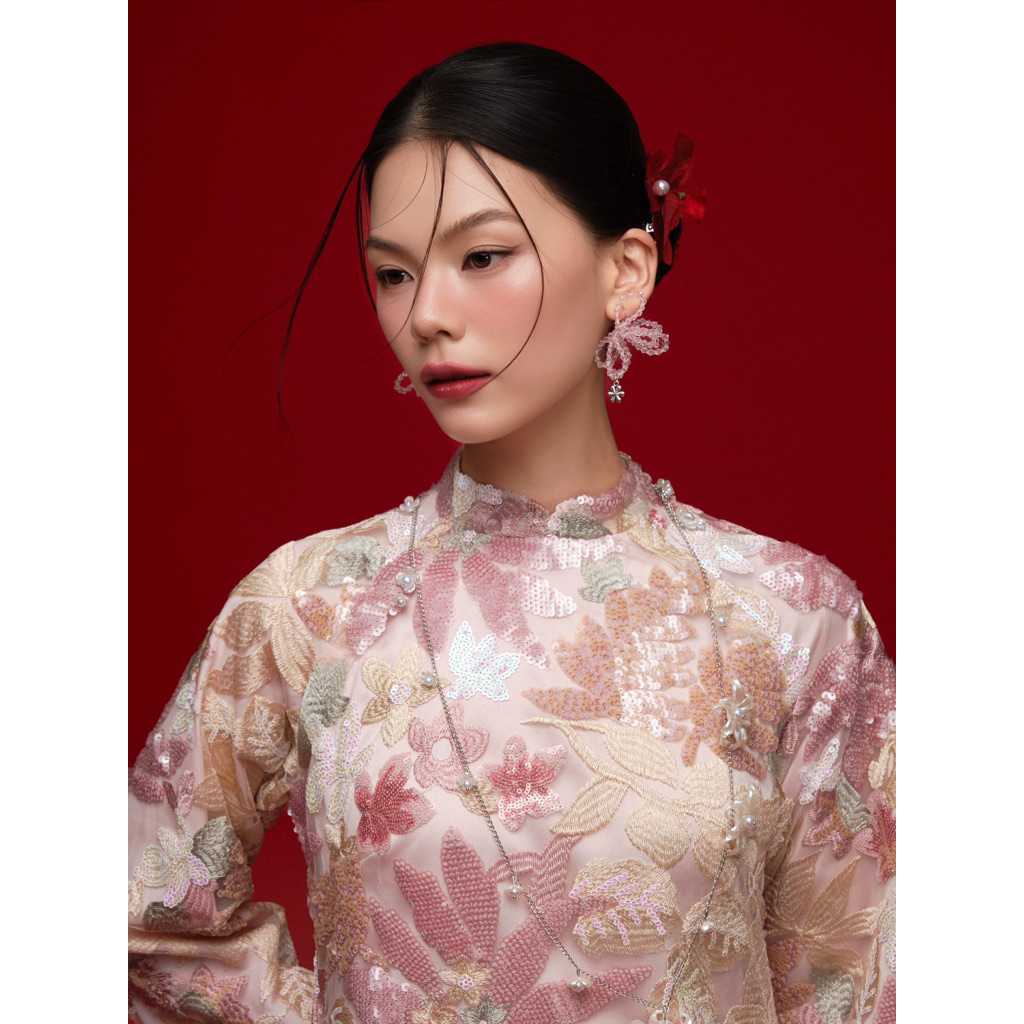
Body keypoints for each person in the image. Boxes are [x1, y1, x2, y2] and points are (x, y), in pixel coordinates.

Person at [128, 42, 895, 1024]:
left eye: (481, 256)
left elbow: (858, 982)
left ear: (626, 270)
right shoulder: (310, 604)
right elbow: (145, 926)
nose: (427, 315)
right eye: (393, 273)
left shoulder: (792, 620)